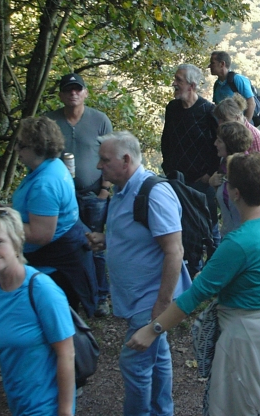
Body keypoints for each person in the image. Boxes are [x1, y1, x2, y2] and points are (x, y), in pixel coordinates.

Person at [126, 152, 260, 416]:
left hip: (251, 337)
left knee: (247, 405)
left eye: (226, 181)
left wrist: (152, 330)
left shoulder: (238, 243)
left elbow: (194, 296)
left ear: (235, 193)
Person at [87, 131, 191, 415]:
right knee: (157, 357)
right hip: (137, 297)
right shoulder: (122, 191)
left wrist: (162, 306)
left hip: (151, 298)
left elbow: (174, 251)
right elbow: (140, 236)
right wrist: (107, 240)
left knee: (133, 363)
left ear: (126, 160)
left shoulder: (154, 194)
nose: (98, 166)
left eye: (105, 160)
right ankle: (162, 411)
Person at [0, 207, 75, 416]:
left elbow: (66, 353)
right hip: (18, 401)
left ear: (16, 243)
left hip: (47, 406)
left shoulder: (42, 290)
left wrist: (65, 411)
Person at [13, 116, 97, 318]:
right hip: (60, 262)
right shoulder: (52, 166)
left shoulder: (45, 183)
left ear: (37, 147)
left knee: (55, 324)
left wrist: (7, 221)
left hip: (53, 269)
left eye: (21, 145)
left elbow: (41, 234)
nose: (16, 149)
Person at [45, 72, 113, 316]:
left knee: (95, 245)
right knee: (63, 246)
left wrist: (104, 190)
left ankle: (100, 297)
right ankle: (68, 297)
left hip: (93, 193)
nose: (73, 93)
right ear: (61, 95)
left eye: (77, 89)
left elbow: (110, 154)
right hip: (61, 198)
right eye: (68, 89)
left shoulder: (99, 120)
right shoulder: (49, 121)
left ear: (85, 93)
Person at [161, 64, 220, 243]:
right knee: (181, 229)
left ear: (192, 86)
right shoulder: (172, 108)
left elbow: (219, 145)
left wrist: (209, 174)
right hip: (176, 181)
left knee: (209, 228)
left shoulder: (209, 111)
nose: (174, 83)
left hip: (201, 183)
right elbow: (166, 140)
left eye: (179, 80)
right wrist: (168, 168)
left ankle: (215, 259)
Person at [209, 121, 260, 236]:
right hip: (228, 234)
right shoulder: (223, 164)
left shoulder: (254, 166)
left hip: (252, 235)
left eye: (219, 141)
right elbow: (227, 201)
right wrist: (213, 184)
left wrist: (251, 198)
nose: (215, 143)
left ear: (230, 144)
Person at [209, 50, 256, 121]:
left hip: (239, 125)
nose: (209, 66)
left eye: (212, 63)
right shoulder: (217, 84)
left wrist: (244, 125)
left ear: (222, 64)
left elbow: (251, 104)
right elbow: (217, 106)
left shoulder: (238, 79)